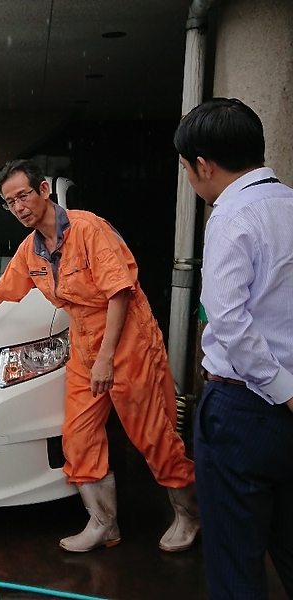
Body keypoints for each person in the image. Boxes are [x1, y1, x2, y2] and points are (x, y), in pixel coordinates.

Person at [0, 159, 197, 553]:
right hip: (85, 350)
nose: (18, 207)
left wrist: (107, 359)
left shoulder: (89, 229)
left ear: (43, 191)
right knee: (78, 436)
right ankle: (104, 523)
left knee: (152, 435)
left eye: (22, 196)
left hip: (129, 344)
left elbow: (120, 293)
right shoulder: (31, 251)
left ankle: (190, 515)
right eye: (9, 202)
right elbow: (0, 292)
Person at [175, 98, 293, 599]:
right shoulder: (288, 204)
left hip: (244, 409)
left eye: (187, 169)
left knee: (235, 562)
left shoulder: (230, 217)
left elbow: (229, 320)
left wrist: (283, 390)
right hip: (286, 408)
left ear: (204, 165)